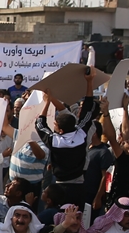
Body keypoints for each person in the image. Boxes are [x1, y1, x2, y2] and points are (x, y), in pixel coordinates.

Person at [34, 76, 100, 209]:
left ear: (61, 130)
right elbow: (88, 109)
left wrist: (46, 103)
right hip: (79, 186)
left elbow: (39, 125)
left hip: (60, 187)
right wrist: (89, 81)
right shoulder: (82, 133)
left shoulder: (55, 141)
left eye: (55, 125)